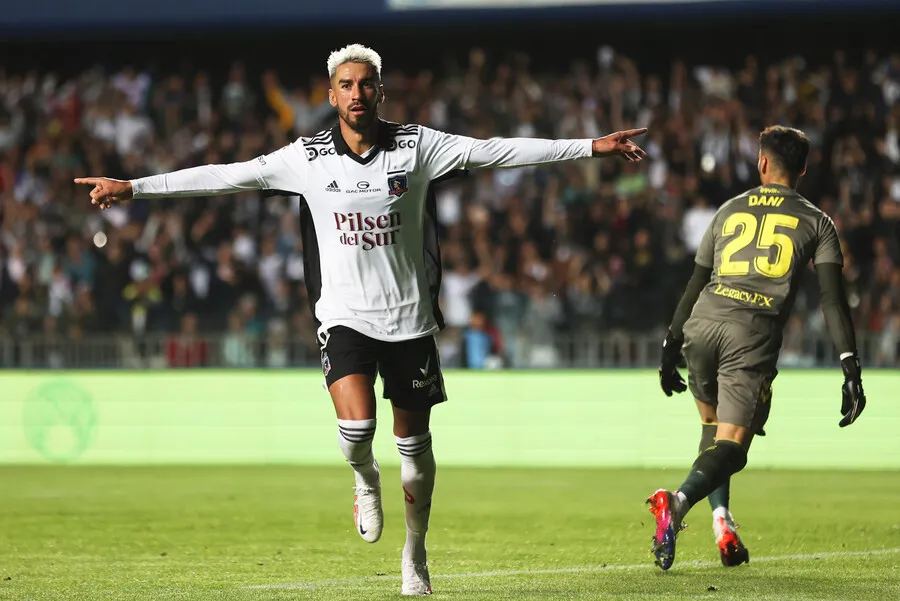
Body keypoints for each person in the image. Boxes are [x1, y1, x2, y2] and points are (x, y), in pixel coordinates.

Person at [75, 43, 647, 595]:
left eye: (365, 84)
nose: (357, 93)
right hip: (344, 315)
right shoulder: (306, 158)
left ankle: (415, 552)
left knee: (415, 449)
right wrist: (135, 188)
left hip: (410, 321)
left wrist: (592, 147)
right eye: (345, 85)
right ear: (331, 95)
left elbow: (496, 149)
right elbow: (227, 175)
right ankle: (364, 479)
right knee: (358, 435)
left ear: (381, 91)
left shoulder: (418, 147)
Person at [652, 126, 867, 571]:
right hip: (751, 334)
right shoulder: (818, 222)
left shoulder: (728, 209)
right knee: (734, 447)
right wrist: (850, 365)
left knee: (712, 429)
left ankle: (722, 523)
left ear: (762, 163)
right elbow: (831, 299)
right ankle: (677, 503)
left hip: (702, 324)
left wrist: (671, 344)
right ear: (803, 168)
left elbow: (696, 281)